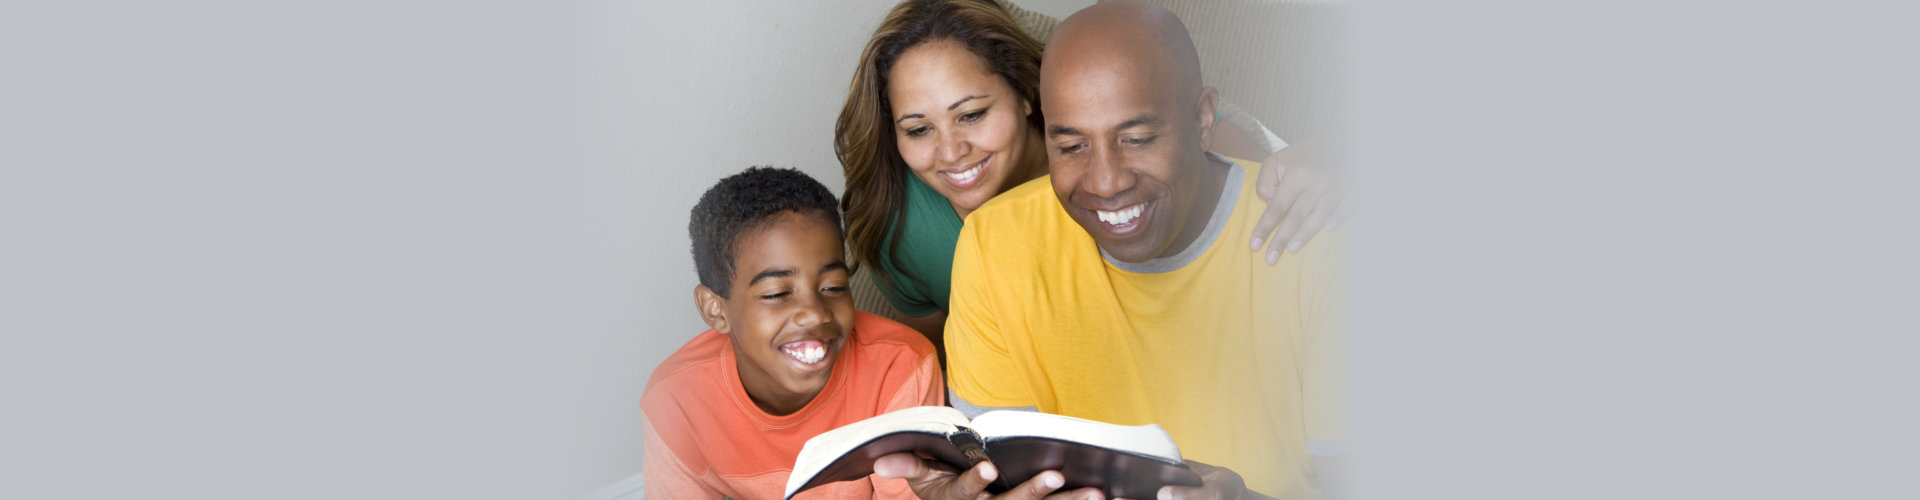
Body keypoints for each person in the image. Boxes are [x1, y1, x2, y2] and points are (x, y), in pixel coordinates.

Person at [874, 4, 1346, 499]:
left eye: (1137, 138)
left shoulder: (1312, 239)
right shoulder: (989, 246)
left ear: (1204, 119)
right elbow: (1006, 474)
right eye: (1072, 146)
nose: (1105, 181)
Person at [835, 0, 1348, 361]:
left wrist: (1322, 161)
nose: (951, 152)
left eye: (971, 115)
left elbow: (1270, 179)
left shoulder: (1137, 126)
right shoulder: (896, 227)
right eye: (919, 129)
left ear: (1023, 91)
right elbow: (945, 361)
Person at [640, 167, 944, 499]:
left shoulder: (899, 365)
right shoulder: (677, 399)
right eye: (776, 293)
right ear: (716, 309)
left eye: (833, 286)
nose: (815, 311)